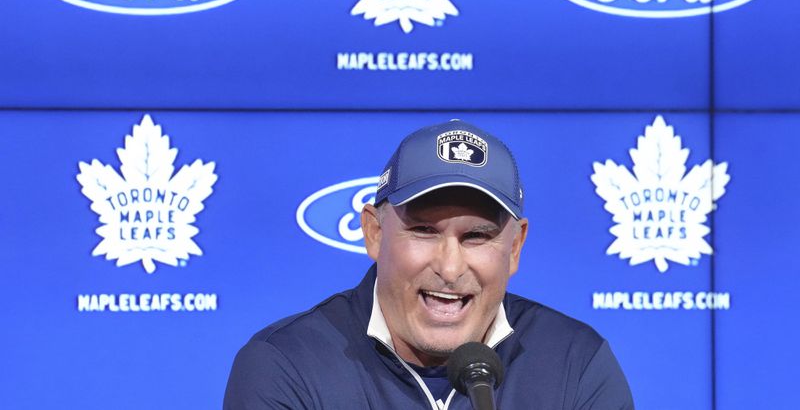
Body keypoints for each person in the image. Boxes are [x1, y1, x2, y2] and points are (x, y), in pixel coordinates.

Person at [224, 120, 634, 409]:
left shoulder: (575, 362)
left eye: (476, 236)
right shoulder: (287, 365)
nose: (450, 267)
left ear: (515, 247)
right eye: (423, 230)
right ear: (374, 233)